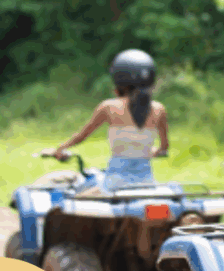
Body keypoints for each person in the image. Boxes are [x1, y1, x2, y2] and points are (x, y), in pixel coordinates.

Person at [43, 49, 169, 192]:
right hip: (146, 183)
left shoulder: (108, 107)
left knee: (74, 197)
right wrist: (149, 150)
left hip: (115, 183)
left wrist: (60, 149)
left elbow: (81, 137)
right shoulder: (159, 109)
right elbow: (164, 147)